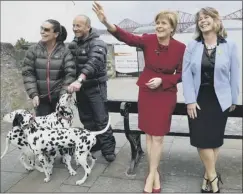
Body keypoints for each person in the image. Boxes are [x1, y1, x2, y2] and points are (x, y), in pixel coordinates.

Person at [92, 2, 186, 193]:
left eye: (164, 24)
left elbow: (181, 74)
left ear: (172, 28)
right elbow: (127, 37)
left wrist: (163, 80)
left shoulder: (181, 47)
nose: (159, 26)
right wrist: (107, 23)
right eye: (158, 23)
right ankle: (155, 172)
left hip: (165, 95)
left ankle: (151, 175)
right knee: (150, 135)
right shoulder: (148, 40)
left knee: (158, 137)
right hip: (147, 93)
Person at [182, 7, 240, 193]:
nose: (203, 21)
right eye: (200, 19)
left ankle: (208, 175)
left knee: (214, 140)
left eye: (207, 17)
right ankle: (214, 177)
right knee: (201, 139)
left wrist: (233, 98)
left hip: (220, 99)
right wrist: (190, 99)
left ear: (216, 21)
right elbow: (186, 74)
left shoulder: (230, 45)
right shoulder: (192, 46)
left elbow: (235, 74)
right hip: (198, 98)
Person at [67, 14, 116, 162]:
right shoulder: (73, 44)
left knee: (101, 118)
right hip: (80, 88)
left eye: (79, 25)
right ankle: (95, 143)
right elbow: (69, 66)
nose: (75, 28)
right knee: (86, 118)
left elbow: (93, 62)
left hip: (95, 86)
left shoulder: (98, 43)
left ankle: (108, 150)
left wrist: (80, 79)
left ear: (88, 27)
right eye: (74, 25)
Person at [22, 19, 76, 116]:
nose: (42, 32)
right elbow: (28, 73)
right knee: (42, 130)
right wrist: (33, 94)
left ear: (56, 34)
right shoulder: (33, 50)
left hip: (60, 100)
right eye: (41, 29)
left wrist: (63, 96)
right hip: (41, 100)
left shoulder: (65, 52)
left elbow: (70, 74)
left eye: (46, 30)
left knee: (60, 130)